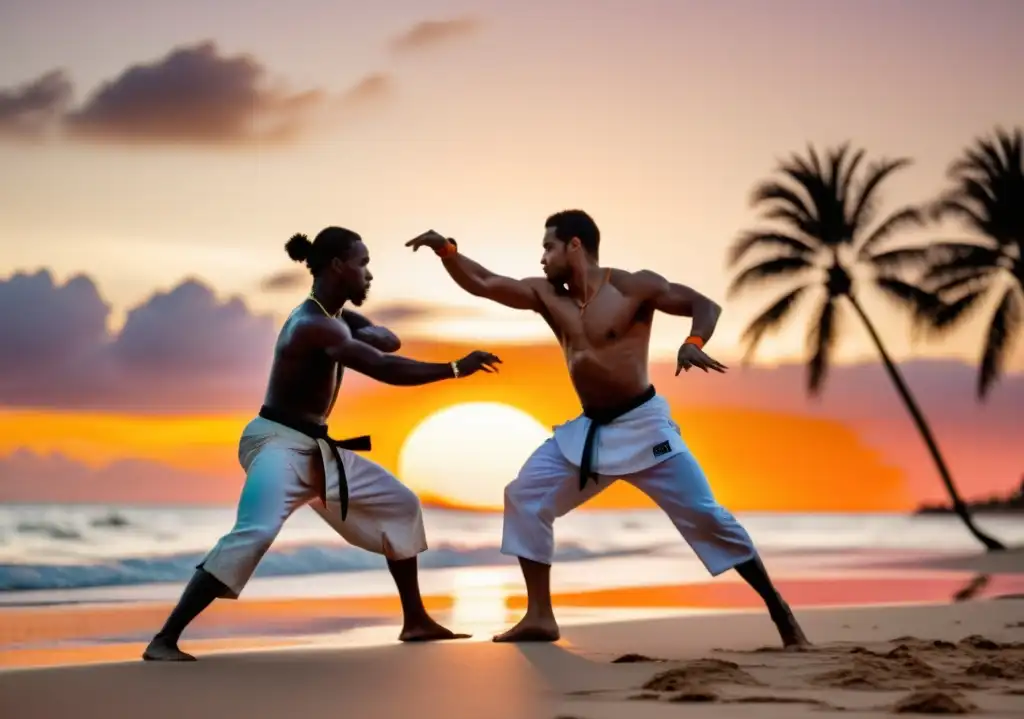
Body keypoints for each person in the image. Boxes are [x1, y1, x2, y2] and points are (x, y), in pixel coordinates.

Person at [405, 211, 809, 648]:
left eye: (548, 247)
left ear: (574, 246)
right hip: (591, 431)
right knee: (524, 496)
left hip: (645, 427)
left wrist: (693, 343)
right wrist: (446, 251)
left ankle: (779, 611)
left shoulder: (632, 287)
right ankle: (540, 616)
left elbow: (704, 305)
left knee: (708, 517)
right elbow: (485, 282)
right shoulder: (546, 295)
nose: (542, 258)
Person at [143, 226, 502, 661]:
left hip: (316, 449)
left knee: (402, 504)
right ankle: (164, 640)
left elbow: (388, 340)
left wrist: (358, 331)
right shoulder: (313, 325)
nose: (369, 275)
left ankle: (416, 621)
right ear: (337, 266)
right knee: (254, 533)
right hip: (277, 444)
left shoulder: (335, 320)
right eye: (363, 264)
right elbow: (385, 367)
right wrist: (455, 368)